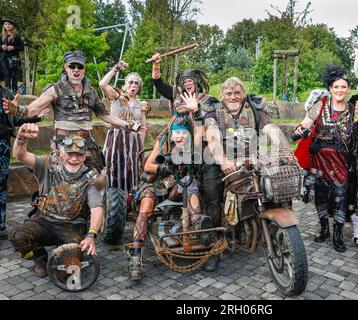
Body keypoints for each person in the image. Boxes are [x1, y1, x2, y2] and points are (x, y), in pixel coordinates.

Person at [2, 50, 147, 171]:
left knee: (95, 182)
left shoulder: (92, 92)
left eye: (80, 66)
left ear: (84, 69)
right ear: (66, 67)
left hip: (87, 143)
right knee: (60, 182)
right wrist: (16, 110)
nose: (76, 70)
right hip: (63, 144)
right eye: (72, 66)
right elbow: (31, 110)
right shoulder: (55, 89)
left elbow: (106, 116)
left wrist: (128, 125)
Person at [150, 53, 222, 271]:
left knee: (211, 193)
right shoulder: (176, 95)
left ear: (198, 82)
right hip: (178, 145)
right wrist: (156, 64)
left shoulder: (209, 100)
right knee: (171, 181)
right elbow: (157, 82)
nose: (187, 83)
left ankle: (212, 242)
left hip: (203, 149)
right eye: (185, 81)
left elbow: (214, 123)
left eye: (191, 80)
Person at [204, 77, 285, 268]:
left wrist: (282, 147)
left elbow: (270, 127)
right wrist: (223, 161)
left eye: (237, 93)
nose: (233, 97)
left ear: (243, 93)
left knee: (273, 184)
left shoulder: (255, 109)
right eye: (229, 93)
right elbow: (213, 137)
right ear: (222, 95)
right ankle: (214, 245)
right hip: (219, 161)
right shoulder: (213, 112)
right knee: (211, 195)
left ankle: (275, 230)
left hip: (250, 158)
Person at [9, 124, 105, 277]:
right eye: (70, 153)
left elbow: (96, 208)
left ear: (85, 156)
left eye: (79, 155)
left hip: (72, 228)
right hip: (44, 221)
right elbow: (21, 155)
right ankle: (40, 258)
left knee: (67, 271)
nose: (74, 158)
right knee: (19, 236)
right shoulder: (47, 166)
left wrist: (91, 235)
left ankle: (65, 256)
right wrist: (21, 138)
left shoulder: (91, 177)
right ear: (61, 154)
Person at [126, 116, 205, 281]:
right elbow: (147, 165)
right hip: (158, 184)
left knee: (188, 183)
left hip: (180, 186)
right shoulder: (164, 141)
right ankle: (136, 255)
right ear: (171, 134)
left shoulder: (194, 144)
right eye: (177, 133)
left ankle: (199, 223)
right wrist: (163, 167)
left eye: (183, 133)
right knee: (146, 205)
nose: (180, 136)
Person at [293, 65, 353, 252]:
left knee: (340, 195)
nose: (340, 90)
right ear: (330, 89)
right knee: (320, 194)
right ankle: (324, 229)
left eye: (343, 87)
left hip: (341, 160)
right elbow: (305, 124)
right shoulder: (320, 106)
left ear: (348, 89)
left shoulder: (353, 109)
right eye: (336, 87)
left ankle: (338, 234)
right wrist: (300, 131)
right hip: (319, 158)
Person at [0, 85, 47, 240]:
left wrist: (37, 117)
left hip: (2, 145)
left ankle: (0, 226)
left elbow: (15, 118)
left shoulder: (5, 93)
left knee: (1, 186)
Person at [99, 60, 148, 196]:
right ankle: (112, 198)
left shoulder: (142, 104)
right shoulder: (117, 96)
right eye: (130, 82)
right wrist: (116, 69)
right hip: (116, 137)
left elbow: (143, 127)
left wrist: (141, 146)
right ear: (125, 85)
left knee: (133, 169)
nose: (133, 85)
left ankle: (131, 199)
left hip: (134, 139)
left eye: (136, 83)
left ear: (139, 87)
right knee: (113, 166)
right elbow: (102, 84)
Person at [1, 17, 23, 94]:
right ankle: (7, 92)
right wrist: (1, 46)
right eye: (5, 24)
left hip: (14, 59)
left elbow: (21, 47)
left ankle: (14, 92)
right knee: (6, 74)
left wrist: (13, 47)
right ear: (4, 25)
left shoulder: (16, 36)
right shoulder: (1, 36)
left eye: (9, 24)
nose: (7, 26)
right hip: (4, 58)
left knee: (14, 76)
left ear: (12, 26)